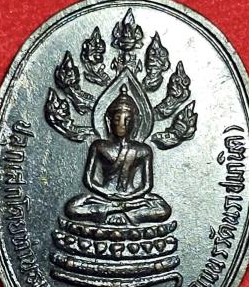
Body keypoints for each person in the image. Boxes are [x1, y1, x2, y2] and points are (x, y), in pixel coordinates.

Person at [65, 85, 171, 226]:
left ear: (136, 122)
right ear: (109, 121)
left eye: (127, 120)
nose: (122, 124)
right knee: (71, 208)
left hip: (132, 198)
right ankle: (121, 213)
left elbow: (146, 186)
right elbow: (89, 180)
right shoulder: (99, 146)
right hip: (104, 197)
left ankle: (112, 213)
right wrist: (107, 194)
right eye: (117, 120)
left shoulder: (143, 150)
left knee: (163, 210)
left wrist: (129, 197)